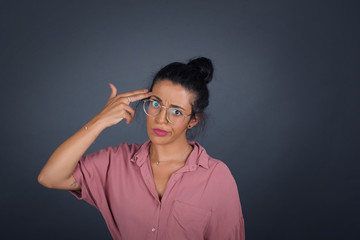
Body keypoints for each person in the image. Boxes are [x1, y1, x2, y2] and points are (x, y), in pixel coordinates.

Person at [37, 57, 245, 240]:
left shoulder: (217, 178)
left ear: (193, 120)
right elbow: (51, 177)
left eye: (176, 112)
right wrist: (99, 121)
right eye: (155, 104)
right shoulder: (116, 163)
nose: (161, 120)